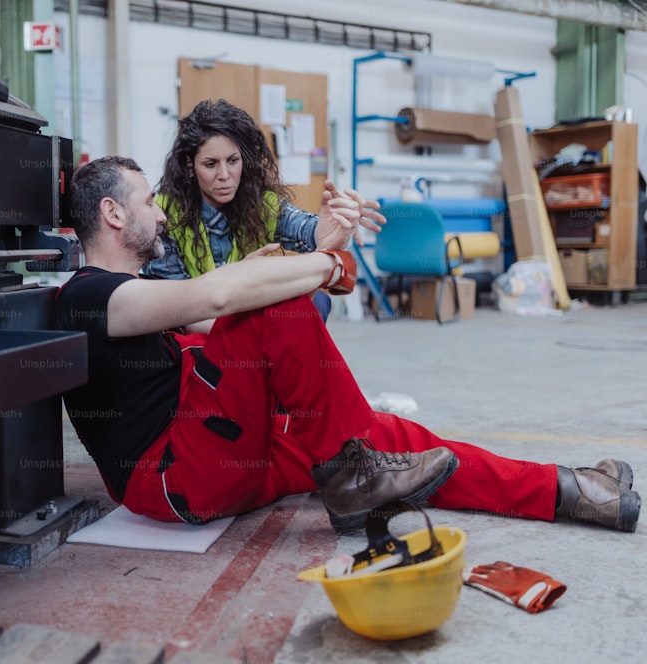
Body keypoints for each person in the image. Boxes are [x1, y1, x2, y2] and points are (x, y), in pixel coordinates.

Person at [55, 155, 641, 535]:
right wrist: (324, 263)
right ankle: (351, 475)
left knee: (391, 440)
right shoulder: (90, 295)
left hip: (218, 449)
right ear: (112, 214)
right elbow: (215, 302)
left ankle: (570, 490)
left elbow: (223, 326)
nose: (159, 215)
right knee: (270, 306)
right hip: (175, 474)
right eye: (147, 202)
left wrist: (316, 254)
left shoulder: (136, 294)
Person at [144, 99, 368, 322]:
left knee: (317, 301)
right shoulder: (162, 216)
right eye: (210, 164)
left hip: (246, 316)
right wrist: (239, 276)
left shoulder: (261, 206)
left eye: (233, 160)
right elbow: (177, 307)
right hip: (197, 328)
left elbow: (307, 230)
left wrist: (334, 229)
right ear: (190, 166)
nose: (224, 174)